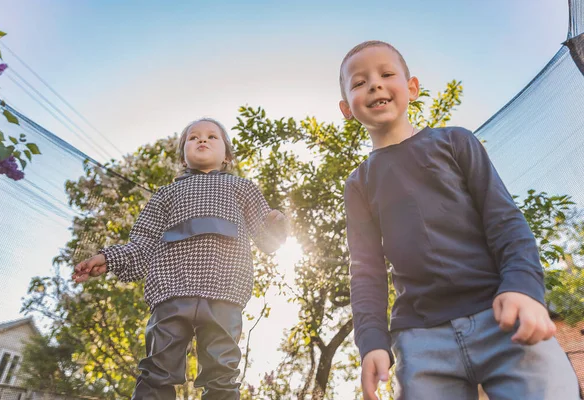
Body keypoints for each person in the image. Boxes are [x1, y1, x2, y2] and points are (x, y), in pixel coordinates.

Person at [340, 40, 580, 399]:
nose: (374, 84)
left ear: (412, 88)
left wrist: (523, 286)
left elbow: (505, 221)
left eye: (386, 74)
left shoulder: (456, 142)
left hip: (501, 314)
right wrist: (372, 341)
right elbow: (366, 272)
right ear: (346, 108)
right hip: (420, 340)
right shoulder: (358, 184)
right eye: (359, 82)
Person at [73, 117, 288, 400]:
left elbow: (265, 236)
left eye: (212, 137)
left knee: (222, 374)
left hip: (224, 291)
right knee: (156, 371)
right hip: (171, 293)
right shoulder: (166, 194)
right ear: (182, 155)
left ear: (227, 155)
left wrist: (276, 225)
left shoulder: (242, 189)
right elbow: (143, 243)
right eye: (193, 137)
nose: (202, 140)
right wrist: (109, 258)